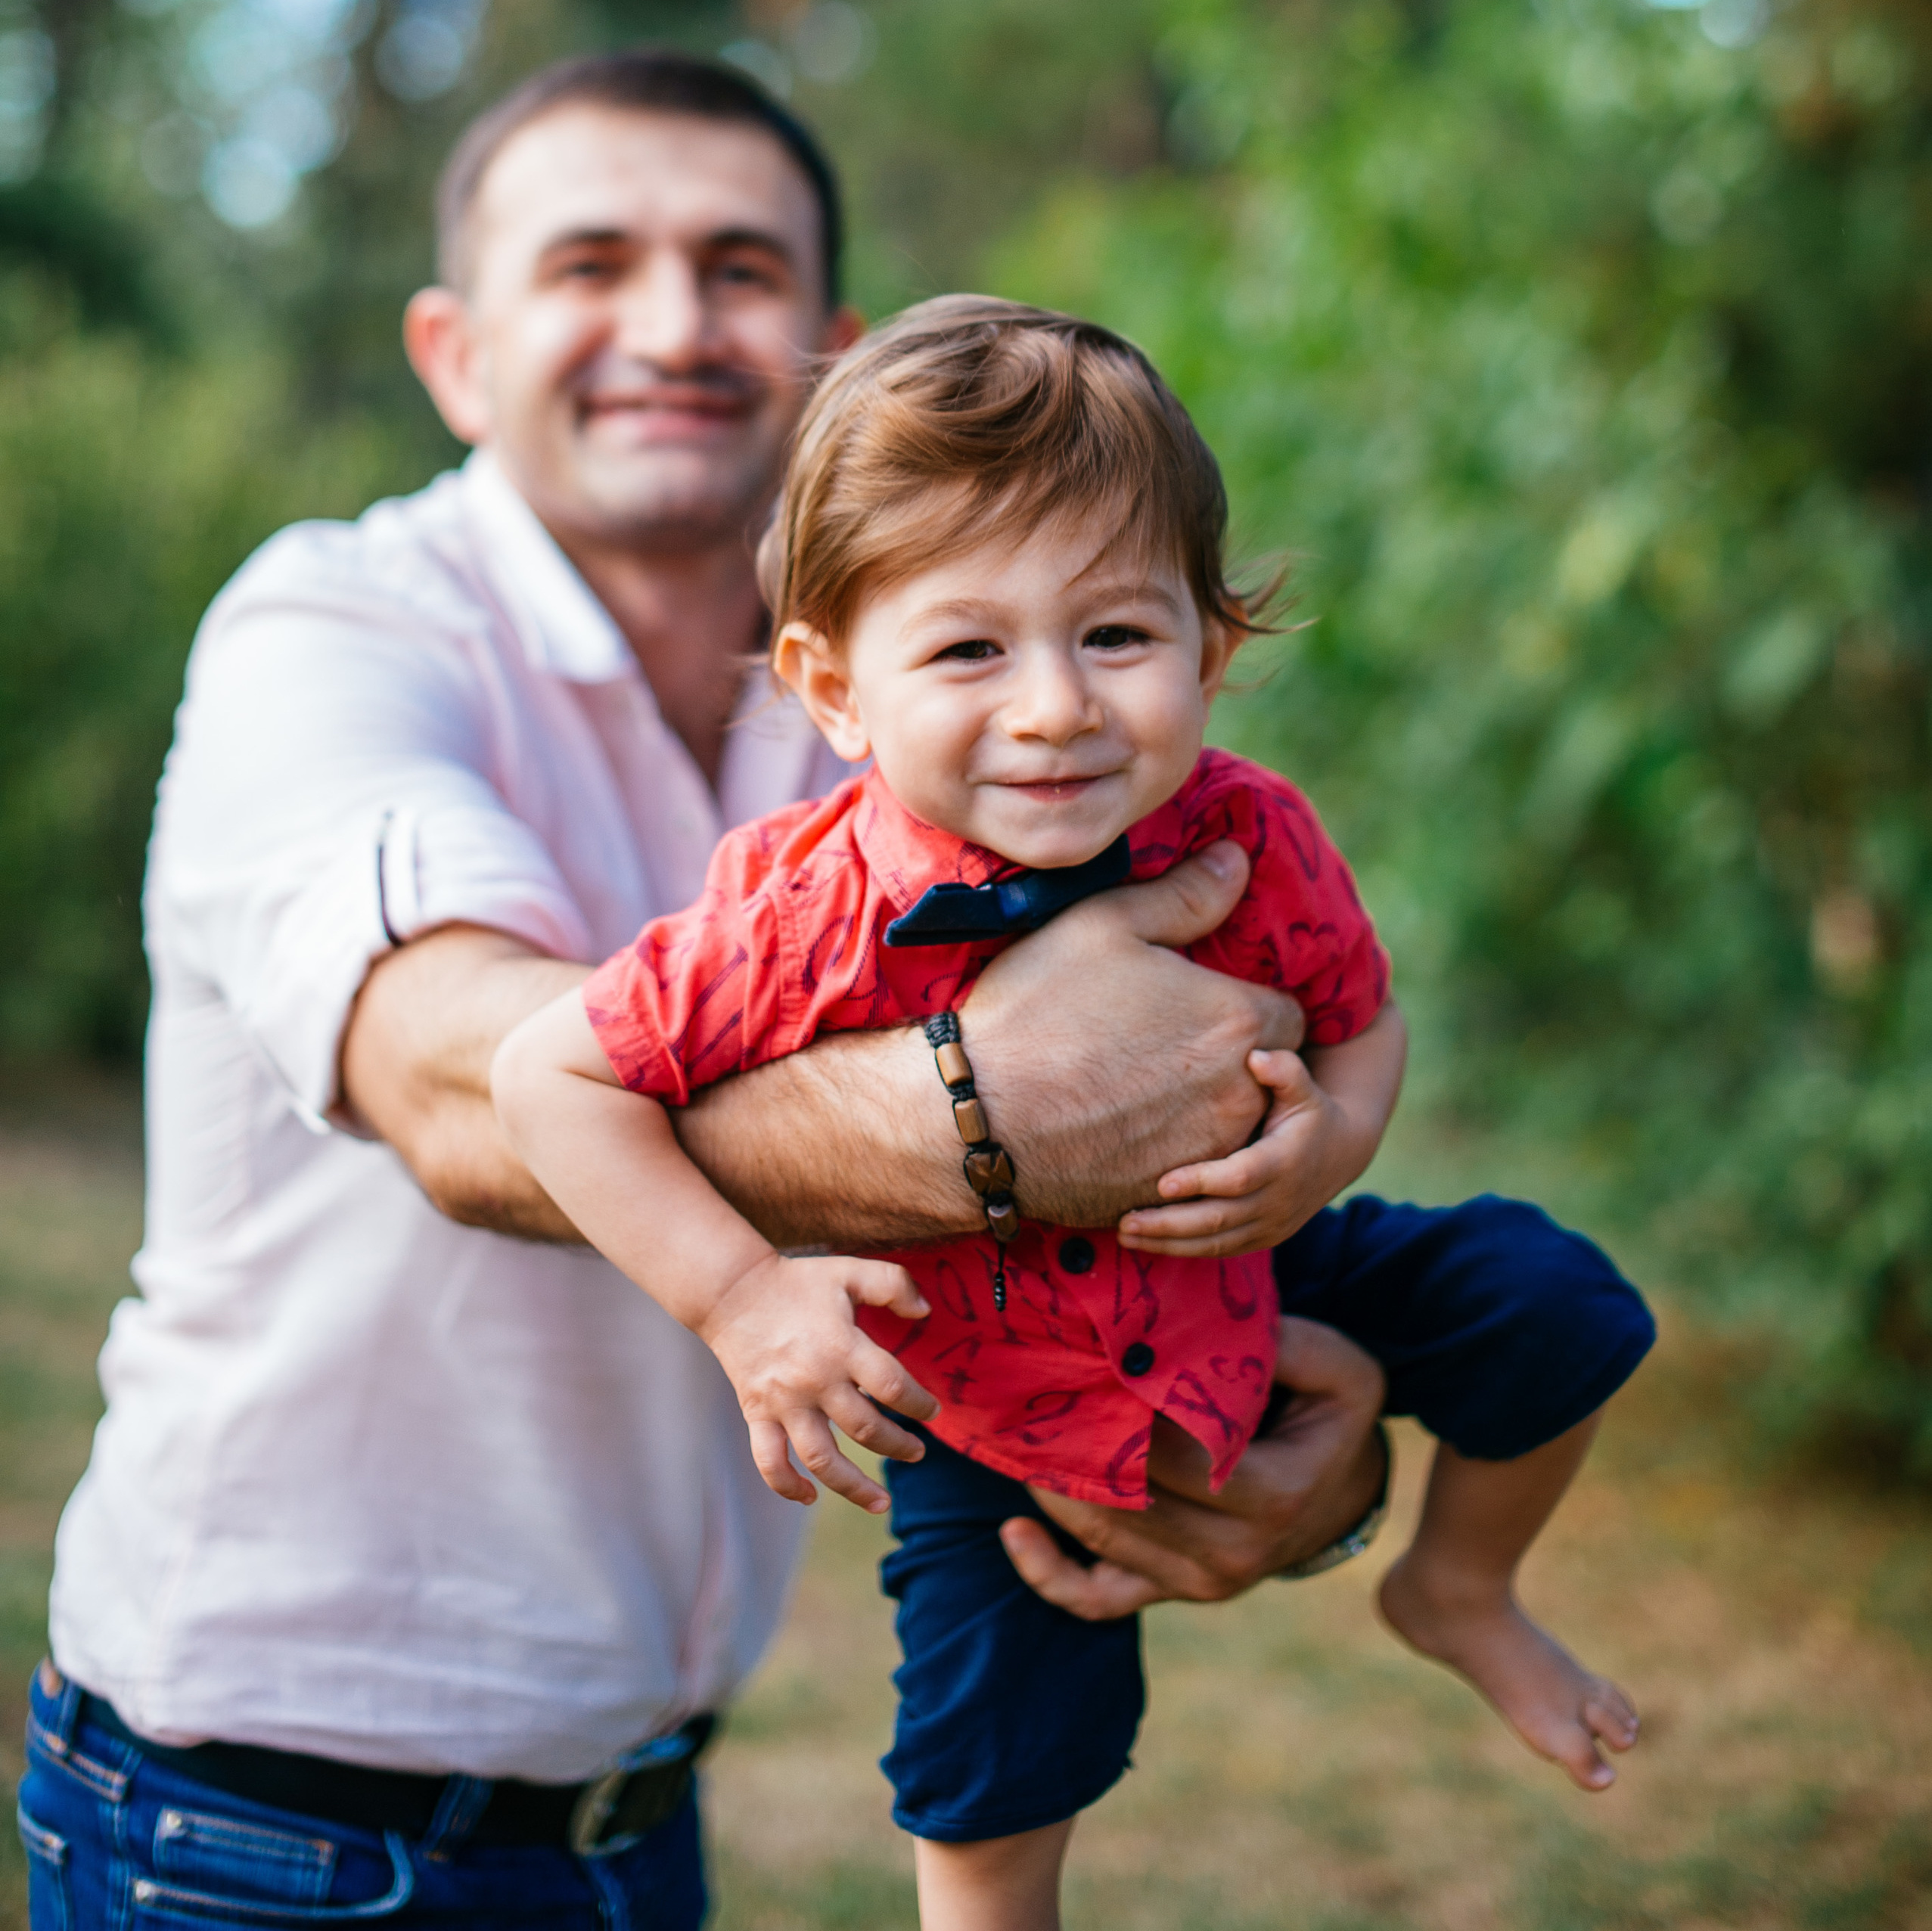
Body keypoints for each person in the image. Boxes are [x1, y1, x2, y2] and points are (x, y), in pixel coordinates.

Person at [17, 50, 1399, 1931]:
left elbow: (1186, 1123)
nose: (670, 322)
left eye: (737, 268)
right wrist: (983, 1117)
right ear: (454, 349)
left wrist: (1277, 1442)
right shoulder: (333, 628)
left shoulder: (949, 712)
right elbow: (462, 1085)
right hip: (258, 1821)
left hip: (639, 1811)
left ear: (830, 356)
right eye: (588, 263)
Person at [492, 297, 1657, 1931]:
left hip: (1255, 1264)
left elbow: (1362, 1019)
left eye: (1114, 634)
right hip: (988, 1397)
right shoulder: (800, 911)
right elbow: (550, 1074)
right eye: (968, 647)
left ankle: (1457, 1583)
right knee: (996, 1754)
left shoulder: (1246, 834)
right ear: (835, 684)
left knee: (1556, 1299)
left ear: (1210, 644)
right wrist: (741, 1294)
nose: (1053, 705)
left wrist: (1324, 1142)